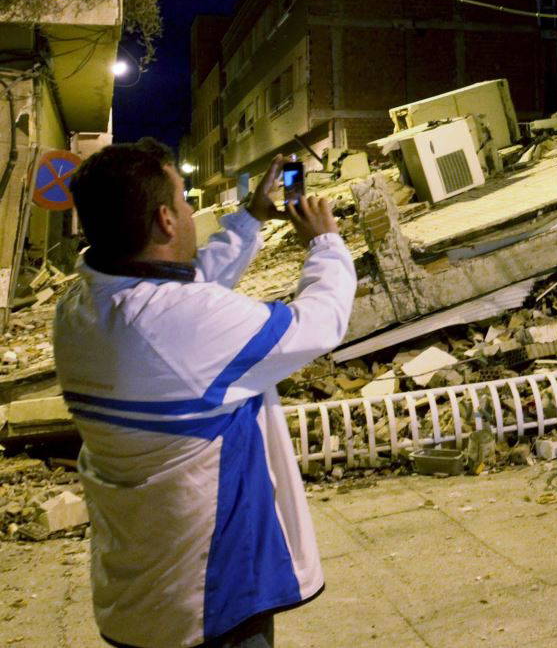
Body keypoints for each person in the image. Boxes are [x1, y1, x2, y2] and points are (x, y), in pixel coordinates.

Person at [54, 138, 355, 648]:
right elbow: (320, 323)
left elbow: (183, 290)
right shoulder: (177, 325)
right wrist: (325, 244)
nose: (193, 212)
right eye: (185, 201)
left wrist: (250, 219)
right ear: (166, 221)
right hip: (211, 601)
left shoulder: (81, 306)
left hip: (139, 598)